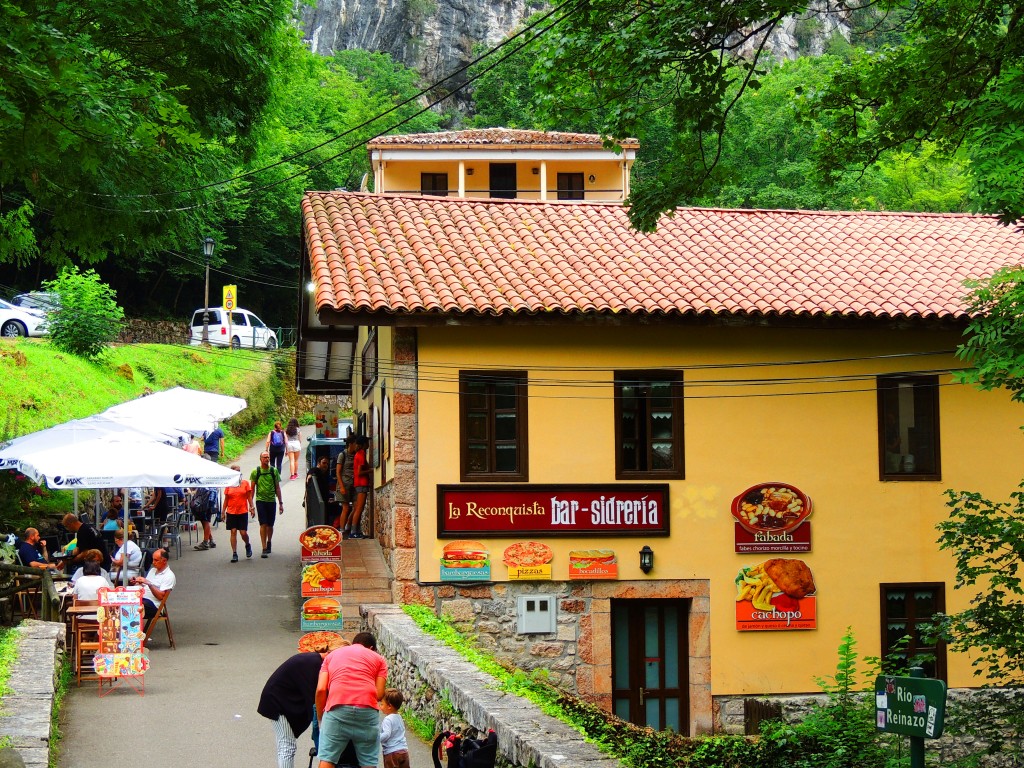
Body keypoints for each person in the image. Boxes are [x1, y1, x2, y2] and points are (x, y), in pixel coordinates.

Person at [315, 632, 387, 768]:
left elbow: (321, 690)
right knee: (368, 762)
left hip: (337, 708)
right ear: (371, 648)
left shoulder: (331, 656)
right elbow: (378, 694)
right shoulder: (379, 659)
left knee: (327, 758)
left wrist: (321, 719)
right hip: (367, 711)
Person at [258, 646, 336, 768]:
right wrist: (322, 727)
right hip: (277, 702)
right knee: (287, 746)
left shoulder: (314, 660)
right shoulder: (314, 663)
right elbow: (314, 700)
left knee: (284, 745)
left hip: (281, 699)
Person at [130, 547, 175, 630]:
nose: (153, 563)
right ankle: (130, 635)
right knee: (123, 602)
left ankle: (134, 635)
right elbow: (146, 586)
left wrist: (149, 584)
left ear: (164, 561)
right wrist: (138, 582)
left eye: (156, 560)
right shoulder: (153, 570)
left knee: (130, 607)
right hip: (143, 598)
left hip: (153, 605)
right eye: (153, 560)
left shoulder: (169, 576)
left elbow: (161, 596)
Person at [251, 451, 283, 558]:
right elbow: (252, 490)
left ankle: (269, 541)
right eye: (264, 457)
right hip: (260, 501)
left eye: (268, 457)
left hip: (271, 501)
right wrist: (251, 505)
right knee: (263, 524)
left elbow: (277, 487)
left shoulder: (274, 471)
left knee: (270, 525)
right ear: (260, 459)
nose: (267, 459)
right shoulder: (256, 472)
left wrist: (281, 503)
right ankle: (264, 547)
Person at [223, 465, 254, 562]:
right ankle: (234, 553)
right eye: (236, 471)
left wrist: (252, 507)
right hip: (231, 511)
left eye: (239, 471)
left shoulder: (245, 483)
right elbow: (226, 499)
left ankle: (247, 544)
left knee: (243, 533)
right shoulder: (229, 485)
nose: (238, 473)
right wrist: (223, 511)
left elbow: (249, 497)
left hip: (242, 511)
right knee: (233, 531)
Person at [380, 689, 410, 768]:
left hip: (392, 753)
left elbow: (386, 734)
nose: (380, 707)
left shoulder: (388, 719)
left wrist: (376, 738)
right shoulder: (399, 717)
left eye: (382, 704)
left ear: (389, 706)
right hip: (403, 751)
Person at [348, 436, 370, 539]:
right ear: (364, 444)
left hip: (359, 484)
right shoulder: (361, 454)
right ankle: (353, 532)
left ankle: (352, 529)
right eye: (367, 442)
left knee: (357, 508)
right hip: (361, 483)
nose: (369, 444)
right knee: (359, 508)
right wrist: (371, 470)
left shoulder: (358, 454)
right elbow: (359, 472)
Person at [333, 437, 357, 533]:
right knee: (345, 507)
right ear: (350, 444)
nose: (356, 446)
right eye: (355, 444)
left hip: (354, 484)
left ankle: (348, 524)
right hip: (344, 484)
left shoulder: (355, 455)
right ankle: (342, 529)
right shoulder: (342, 455)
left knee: (356, 506)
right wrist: (341, 486)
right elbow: (338, 472)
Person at [190, 486, 218, 551]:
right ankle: (211, 540)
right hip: (209, 497)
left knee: (205, 520)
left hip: (206, 499)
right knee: (204, 520)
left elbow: (194, 487)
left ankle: (205, 543)